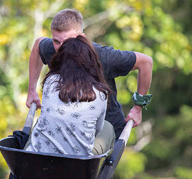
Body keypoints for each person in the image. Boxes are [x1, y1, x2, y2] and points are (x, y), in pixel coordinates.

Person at [26, 9, 153, 144]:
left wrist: (138, 107)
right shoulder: (53, 50)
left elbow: (145, 62)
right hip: (64, 125)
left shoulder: (103, 57)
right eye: (56, 41)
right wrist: (31, 90)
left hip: (102, 126)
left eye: (68, 41)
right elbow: (38, 46)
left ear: (82, 37)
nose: (62, 48)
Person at [25, 35, 113, 156]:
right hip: (76, 167)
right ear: (91, 61)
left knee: (40, 124)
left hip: (37, 160)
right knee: (108, 127)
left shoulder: (51, 81)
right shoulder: (101, 93)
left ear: (60, 59)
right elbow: (97, 131)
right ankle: (103, 170)